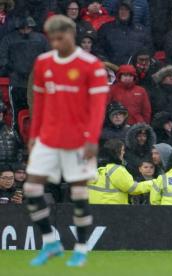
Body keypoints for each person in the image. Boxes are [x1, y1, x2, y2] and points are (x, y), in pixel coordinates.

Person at [25, 15, 109, 266]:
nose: (55, 44)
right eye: (52, 39)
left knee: (79, 192)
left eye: (59, 38)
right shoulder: (43, 63)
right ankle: (51, 241)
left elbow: (97, 109)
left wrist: (92, 139)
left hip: (79, 140)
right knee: (31, 188)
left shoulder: (91, 66)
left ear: (72, 35)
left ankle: (81, 248)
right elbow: (39, 103)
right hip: (48, 138)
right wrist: (33, 135)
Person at [0, 16, 49, 121]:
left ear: (32, 27)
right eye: (23, 28)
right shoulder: (9, 39)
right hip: (17, 83)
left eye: (28, 28)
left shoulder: (41, 39)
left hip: (36, 83)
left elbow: (48, 58)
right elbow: (2, 58)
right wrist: (13, 69)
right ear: (18, 28)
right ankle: (17, 135)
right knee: (16, 116)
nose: (26, 31)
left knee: (38, 116)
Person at [89, 139, 151, 204]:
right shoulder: (116, 170)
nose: (123, 152)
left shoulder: (96, 168)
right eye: (122, 150)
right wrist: (153, 183)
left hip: (95, 210)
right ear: (117, 152)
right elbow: (133, 188)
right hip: (113, 211)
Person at [96, 0, 152, 65]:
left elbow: (149, 50)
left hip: (136, 70)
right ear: (117, 11)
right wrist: (109, 65)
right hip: (112, 69)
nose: (123, 12)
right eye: (121, 9)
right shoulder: (105, 29)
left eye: (126, 10)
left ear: (131, 12)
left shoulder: (141, 30)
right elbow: (99, 50)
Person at [0, 102, 23, 166]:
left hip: (11, 170)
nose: (0, 115)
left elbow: (20, 149)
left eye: (1, 113)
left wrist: (16, 166)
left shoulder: (12, 132)